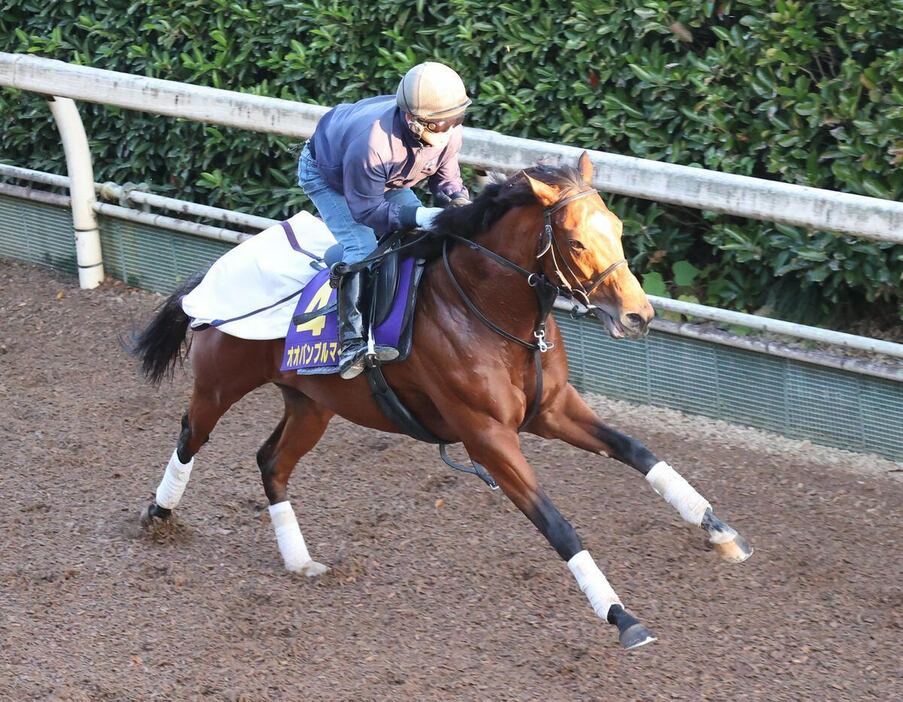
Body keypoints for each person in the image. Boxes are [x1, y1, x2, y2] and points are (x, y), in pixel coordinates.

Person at [298, 61, 471, 379]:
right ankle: (351, 342)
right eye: (439, 124)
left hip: (386, 179)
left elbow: (446, 183)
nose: (448, 130)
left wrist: (462, 206)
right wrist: (416, 212)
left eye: (456, 120)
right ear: (412, 119)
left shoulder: (448, 133)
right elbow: (365, 210)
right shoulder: (373, 145)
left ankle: (403, 315)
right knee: (362, 245)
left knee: (415, 234)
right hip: (330, 176)